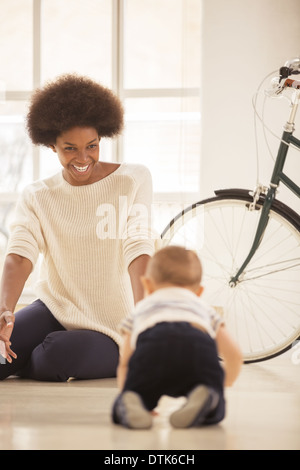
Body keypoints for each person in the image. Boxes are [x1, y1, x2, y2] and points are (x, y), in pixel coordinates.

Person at [0, 74, 157, 381]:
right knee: (0, 354)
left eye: (92, 146)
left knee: (52, 357)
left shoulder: (133, 179)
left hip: (111, 324)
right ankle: (21, 359)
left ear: (103, 138)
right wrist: (5, 309)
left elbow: (138, 249)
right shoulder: (37, 195)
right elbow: (19, 256)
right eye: (70, 149)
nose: (83, 158)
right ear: (51, 145)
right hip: (54, 308)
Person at [112, 245, 243, 429]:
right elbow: (234, 354)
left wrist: (126, 390)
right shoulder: (202, 308)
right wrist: (224, 383)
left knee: (138, 392)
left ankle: (134, 401)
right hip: (196, 347)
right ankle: (208, 396)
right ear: (199, 292)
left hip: (152, 348)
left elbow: (125, 360)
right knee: (212, 397)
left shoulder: (142, 309)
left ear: (148, 285)